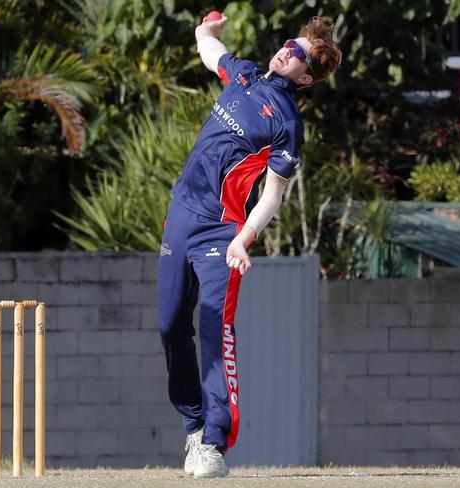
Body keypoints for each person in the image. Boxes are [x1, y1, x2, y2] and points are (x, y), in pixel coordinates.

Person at [157, 11, 342, 478]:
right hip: (181, 214)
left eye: (299, 54)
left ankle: (214, 443)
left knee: (216, 326)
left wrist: (246, 236)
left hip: (223, 231)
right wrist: (204, 33)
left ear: (306, 76)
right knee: (170, 324)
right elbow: (212, 55)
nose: (288, 50)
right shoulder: (243, 76)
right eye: (290, 43)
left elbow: (273, 195)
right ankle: (193, 428)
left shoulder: (286, 123)